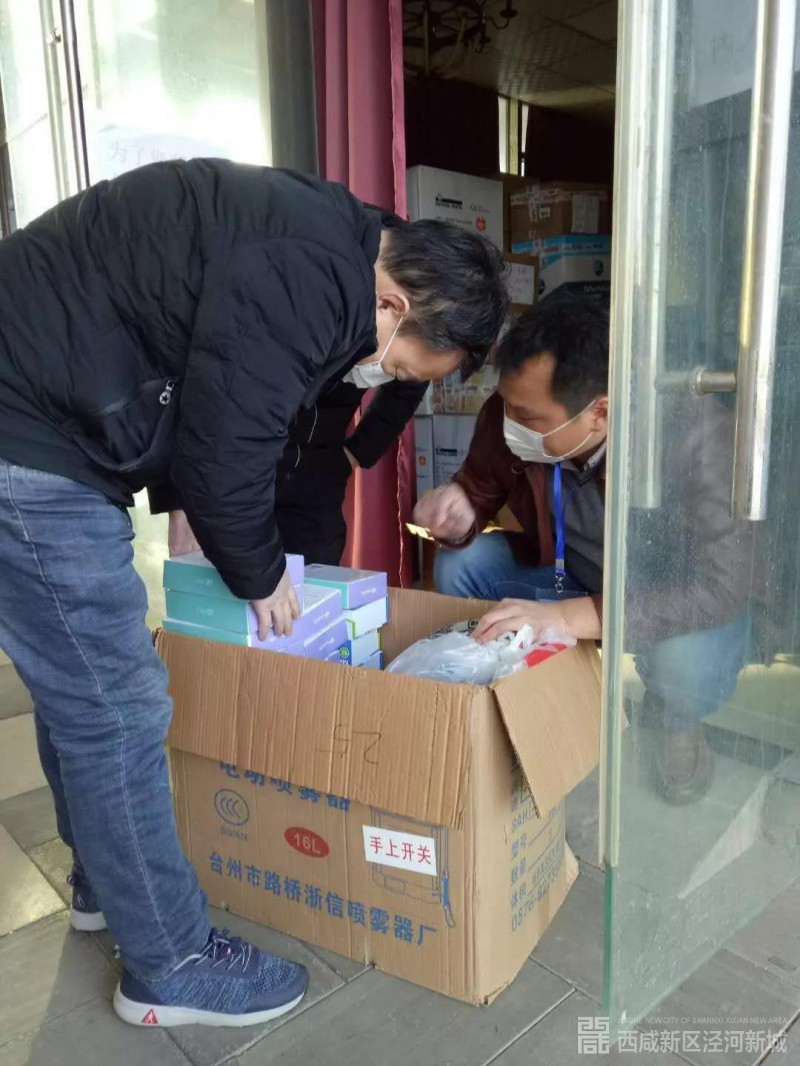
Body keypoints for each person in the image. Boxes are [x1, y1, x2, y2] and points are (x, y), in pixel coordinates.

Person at [0, 158, 508, 1028]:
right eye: (408, 364)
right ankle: (171, 965)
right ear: (394, 307)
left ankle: (104, 883)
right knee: (117, 708)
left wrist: (192, 507)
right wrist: (262, 575)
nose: (391, 378)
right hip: (27, 430)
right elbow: (229, 443)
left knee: (79, 687)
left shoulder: (334, 240)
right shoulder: (314, 277)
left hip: (45, 411)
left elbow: (197, 370)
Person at [414, 298, 755, 806]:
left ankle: (675, 719)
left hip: (672, 597)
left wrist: (569, 617)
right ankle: (517, 693)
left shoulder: (698, 437)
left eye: (526, 416)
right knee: (461, 564)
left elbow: (721, 585)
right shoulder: (514, 413)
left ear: (600, 412)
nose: (509, 423)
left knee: (685, 664)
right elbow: (481, 483)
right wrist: (460, 505)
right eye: (505, 406)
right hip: (572, 575)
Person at [280, 378, 428, 564]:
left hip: (319, 470)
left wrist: (358, 451)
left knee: (317, 568)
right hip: (257, 457)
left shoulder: (414, 365)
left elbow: (409, 389)